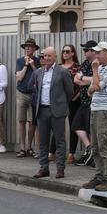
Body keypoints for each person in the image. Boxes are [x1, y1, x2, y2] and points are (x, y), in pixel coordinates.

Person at [82, 41, 107, 192]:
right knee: (96, 146)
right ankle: (99, 176)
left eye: (99, 52)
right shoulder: (102, 68)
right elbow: (91, 88)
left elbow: (96, 86)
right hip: (96, 108)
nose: (96, 55)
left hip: (105, 110)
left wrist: (94, 71)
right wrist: (94, 83)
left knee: (104, 145)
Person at [32, 46, 74, 179]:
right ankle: (44, 168)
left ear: (55, 57)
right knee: (43, 141)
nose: (47, 58)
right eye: (45, 56)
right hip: (42, 110)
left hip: (57, 111)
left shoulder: (62, 72)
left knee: (60, 141)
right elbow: (35, 88)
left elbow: (70, 92)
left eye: (49, 56)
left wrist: (60, 104)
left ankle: (60, 168)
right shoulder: (38, 72)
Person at [72, 40, 97, 166]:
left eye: (86, 50)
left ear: (93, 51)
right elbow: (76, 79)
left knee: (91, 129)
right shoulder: (85, 63)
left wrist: (83, 78)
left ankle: (95, 156)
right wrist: (85, 80)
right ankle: (89, 147)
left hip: (93, 102)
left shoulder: (97, 63)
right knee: (76, 125)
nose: (84, 52)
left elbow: (96, 80)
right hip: (83, 101)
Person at [15, 38, 40, 158]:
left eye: (30, 46)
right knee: (21, 121)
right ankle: (22, 148)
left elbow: (39, 76)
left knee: (32, 122)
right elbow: (19, 78)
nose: (27, 48)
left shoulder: (38, 61)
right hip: (22, 93)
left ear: (34, 49)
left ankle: (30, 147)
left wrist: (33, 65)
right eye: (26, 46)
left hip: (34, 94)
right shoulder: (20, 61)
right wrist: (26, 65)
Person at [60, 43, 81, 163]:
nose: (65, 53)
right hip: (60, 101)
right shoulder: (58, 67)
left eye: (67, 51)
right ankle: (53, 152)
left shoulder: (77, 67)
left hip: (73, 101)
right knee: (57, 126)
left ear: (73, 53)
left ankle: (71, 153)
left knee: (73, 126)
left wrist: (75, 97)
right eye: (63, 51)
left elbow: (80, 85)